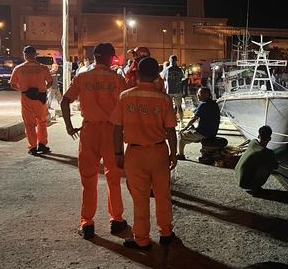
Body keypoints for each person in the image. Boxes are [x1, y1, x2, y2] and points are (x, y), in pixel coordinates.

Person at [60, 43, 128, 240]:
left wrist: (69, 126)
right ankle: (116, 221)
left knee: (88, 180)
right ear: (111, 58)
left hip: (89, 131)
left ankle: (87, 223)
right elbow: (125, 106)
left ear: (95, 56)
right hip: (112, 132)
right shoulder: (117, 79)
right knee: (114, 178)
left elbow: (65, 101)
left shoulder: (82, 77)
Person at [111, 57, 178, 250]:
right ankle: (166, 233)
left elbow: (116, 129)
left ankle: (141, 239)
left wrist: (117, 153)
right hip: (158, 152)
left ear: (137, 74)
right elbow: (171, 130)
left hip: (134, 153)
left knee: (140, 199)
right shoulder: (163, 99)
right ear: (157, 75)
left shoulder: (125, 97)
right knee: (162, 195)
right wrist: (173, 154)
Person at [9, 45, 53, 155]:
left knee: (29, 124)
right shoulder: (43, 68)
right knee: (42, 122)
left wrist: (23, 90)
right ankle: (42, 145)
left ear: (24, 55)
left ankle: (33, 147)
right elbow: (50, 82)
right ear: (35, 55)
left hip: (26, 98)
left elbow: (12, 84)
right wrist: (43, 89)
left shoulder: (19, 68)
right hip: (41, 99)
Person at [177, 86, 220, 161]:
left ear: (207, 94)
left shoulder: (203, 105)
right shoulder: (214, 104)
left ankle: (180, 155)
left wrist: (185, 128)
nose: (198, 95)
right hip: (212, 133)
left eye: (199, 93)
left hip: (203, 133)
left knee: (181, 135)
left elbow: (193, 118)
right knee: (190, 133)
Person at [235, 125, 278, 193]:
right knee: (269, 165)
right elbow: (276, 166)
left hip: (237, 177)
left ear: (258, 136)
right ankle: (255, 187)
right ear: (270, 139)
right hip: (244, 183)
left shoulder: (252, 142)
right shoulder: (268, 153)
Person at [164, 55, 185, 126]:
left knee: (168, 108)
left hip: (169, 91)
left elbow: (163, 79)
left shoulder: (166, 69)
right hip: (178, 90)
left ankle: (170, 122)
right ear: (176, 61)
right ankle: (181, 122)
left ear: (170, 61)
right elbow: (182, 79)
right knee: (179, 106)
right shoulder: (179, 70)